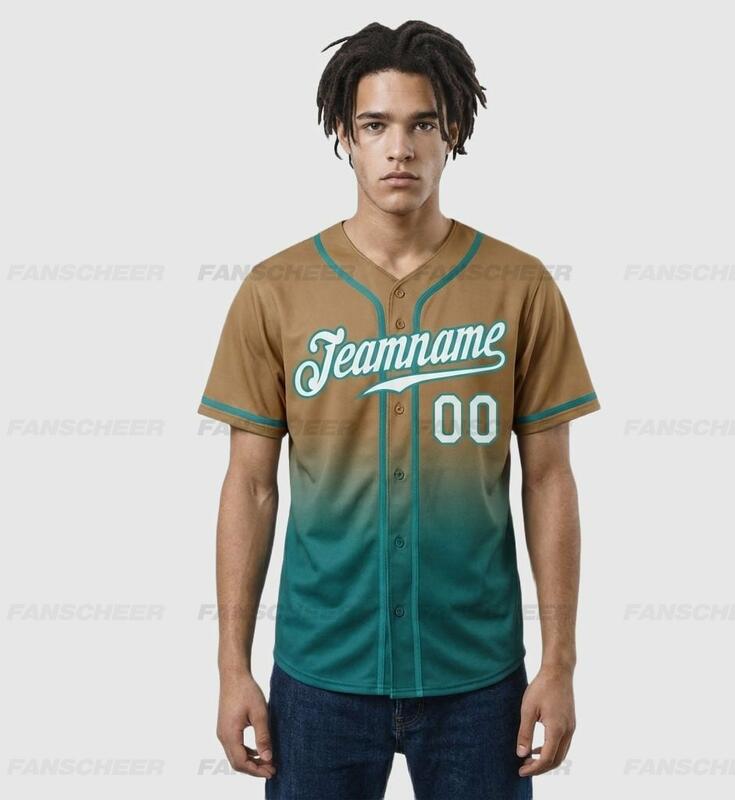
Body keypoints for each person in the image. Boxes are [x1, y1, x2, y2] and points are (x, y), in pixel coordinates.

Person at [197, 19, 601, 800]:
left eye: (422, 124)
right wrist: (230, 668)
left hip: (478, 678)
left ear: (454, 133)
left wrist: (559, 664)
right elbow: (249, 485)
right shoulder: (276, 290)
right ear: (344, 137)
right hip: (320, 674)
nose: (400, 149)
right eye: (376, 125)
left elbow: (550, 479)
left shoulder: (519, 287)